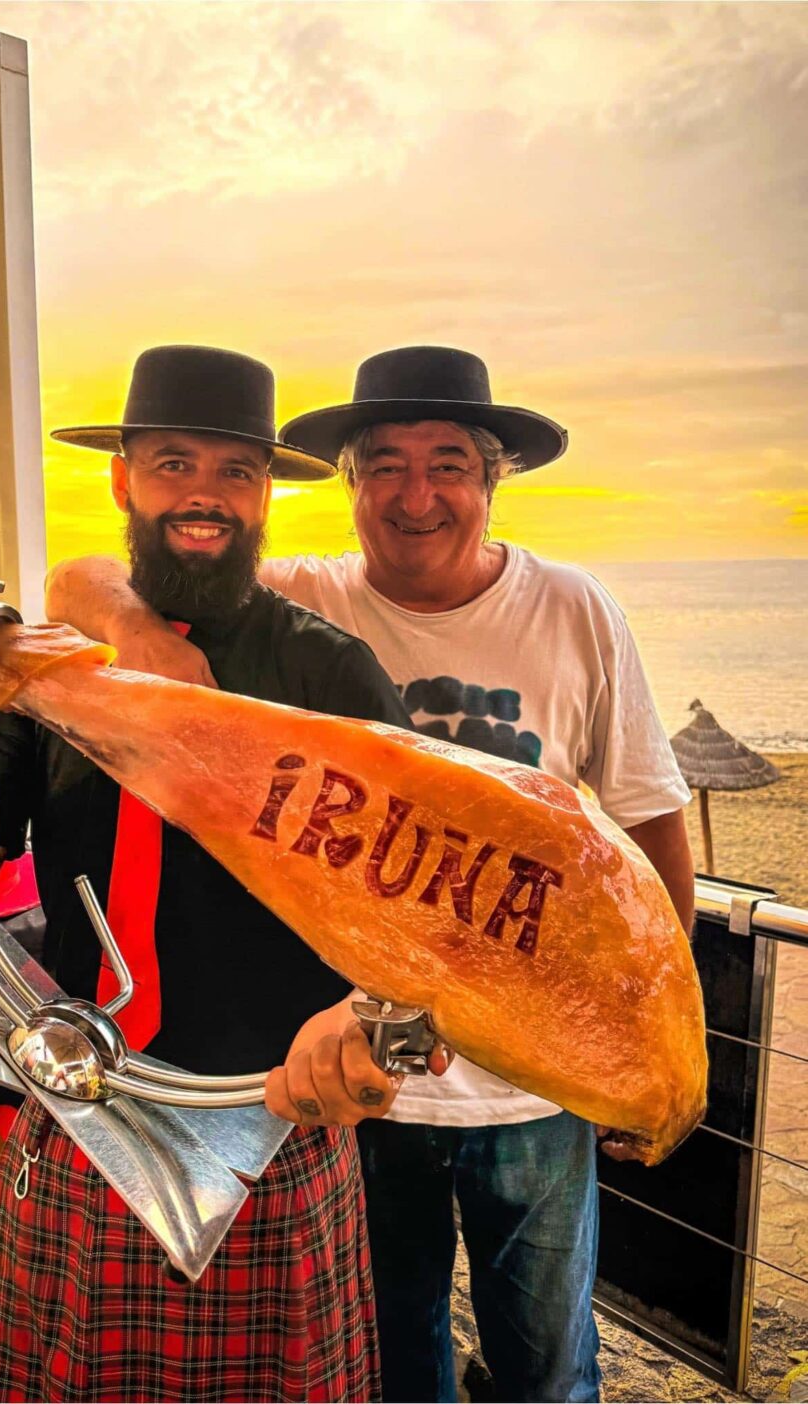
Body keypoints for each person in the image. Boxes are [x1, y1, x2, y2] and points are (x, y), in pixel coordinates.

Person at [45, 345, 697, 1404]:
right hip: (369, 1096)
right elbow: (83, 576)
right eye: (385, 465)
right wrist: (128, 629)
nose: (416, 494)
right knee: (392, 1364)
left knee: (549, 1366)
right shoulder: (302, 598)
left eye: (448, 464)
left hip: (528, 1093)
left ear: (493, 480)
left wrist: (660, 1039)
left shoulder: (576, 611)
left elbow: (650, 830)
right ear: (348, 486)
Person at [0, 345, 427, 1404]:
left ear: (266, 496)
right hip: (84, 1106)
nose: (204, 498)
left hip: (271, 1121)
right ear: (123, 479)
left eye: (234, 472)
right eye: (175, 464)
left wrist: (370, 1012)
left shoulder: (328, 673)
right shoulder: (60, 668)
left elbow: (410, 905)